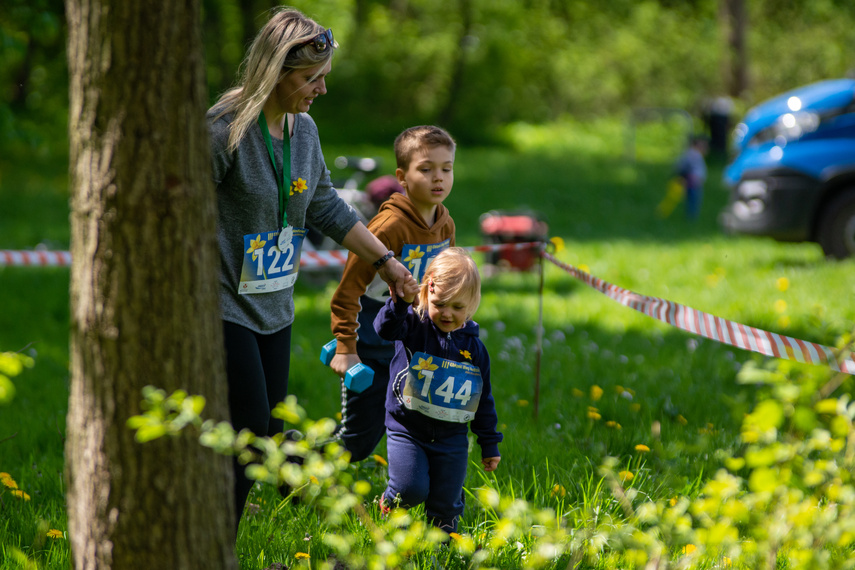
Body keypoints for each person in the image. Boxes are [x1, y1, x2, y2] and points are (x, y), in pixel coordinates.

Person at [206, 7, 413, 528]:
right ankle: (229, 538)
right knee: (250, 433)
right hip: (220, 302)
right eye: (309, 79)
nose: (320, 89)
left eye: (323, 78)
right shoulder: (224, 129)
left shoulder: (305, 131)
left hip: (275, 305)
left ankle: (284, 474)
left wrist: (385, 261)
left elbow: (325, 206)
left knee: (264, 433)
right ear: (274, 72)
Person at [329, 126, 457, 462]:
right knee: (356, 442)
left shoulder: (446, 224)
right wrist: (346, 346)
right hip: (374, 345)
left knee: (417, 429)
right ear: (402, 176)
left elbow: (445, 285)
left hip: (417, 345)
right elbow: (347, 292)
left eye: (446, 168)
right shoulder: (386, 227)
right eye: (426, 169)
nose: (438, 178)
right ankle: (292, 463)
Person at [374, 247, 502, 533]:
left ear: (472, 305)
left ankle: (442, 552)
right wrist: (398, 304)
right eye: (441, 303)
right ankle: (390, 507)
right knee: (411, 489)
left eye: (458, 307)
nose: (447, 313)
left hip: (452, 436)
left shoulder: (474, 349)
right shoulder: (411, 325)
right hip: (407, 429)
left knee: (446, 503)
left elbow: (483, 398)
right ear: (427, 290)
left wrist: (489, 442)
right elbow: (384, 329)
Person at [675, 134, 709, 220]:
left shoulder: (695, 155)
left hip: (695, 182)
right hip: (692, 181)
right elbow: (682, 167)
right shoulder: (692, 154)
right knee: (692, 201)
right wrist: (681, 176)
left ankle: (692, 217)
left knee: (694, 201)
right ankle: (690, 218)